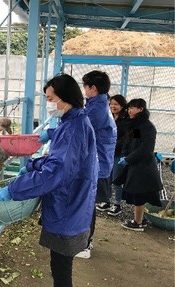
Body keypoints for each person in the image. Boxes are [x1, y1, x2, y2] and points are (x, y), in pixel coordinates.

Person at [0, 73, 98, 287]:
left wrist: (13, 188)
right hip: (74, 200)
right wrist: (32, 165)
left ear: (65, 98)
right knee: (60, 264)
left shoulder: (72, 129)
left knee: (61, 269)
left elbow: (55, 174)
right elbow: (63, 163)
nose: (48, 104)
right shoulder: (74, 121)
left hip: (67, 205)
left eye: (51, 99)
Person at [75, 70, 117, 259]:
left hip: (96, 164)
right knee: (87, 204)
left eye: (85, 86)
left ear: (93, 88)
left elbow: (79, 131)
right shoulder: (98, 104)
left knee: (88, 205)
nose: (83, 89)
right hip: (99, 162)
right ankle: (84, 240)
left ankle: (85, 244)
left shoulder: (96, 109)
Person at [114, 98, 162, 231]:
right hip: (135, 164)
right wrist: (125, 155)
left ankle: (138, 222)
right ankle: (140, 219)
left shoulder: (148, 127)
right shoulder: (137, 125)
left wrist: (128, 158)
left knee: (139, 194)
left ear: (141, 109)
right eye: (129, 108)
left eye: (132, 108)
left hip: (143, 166)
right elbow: (131, 142)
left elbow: (145, 148)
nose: (129, 110)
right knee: (137, 193)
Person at [107, 94, 128, 216]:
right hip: (108, 152)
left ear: (122, 106)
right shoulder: (109, 117)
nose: (113, 106)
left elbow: (126, 137)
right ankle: (106, 201)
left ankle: (117, 204)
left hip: (118, 153)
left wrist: (113, 145)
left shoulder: (125, 120)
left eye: (116, 104)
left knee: (117, 179)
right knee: (107, 177)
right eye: (111, 104)